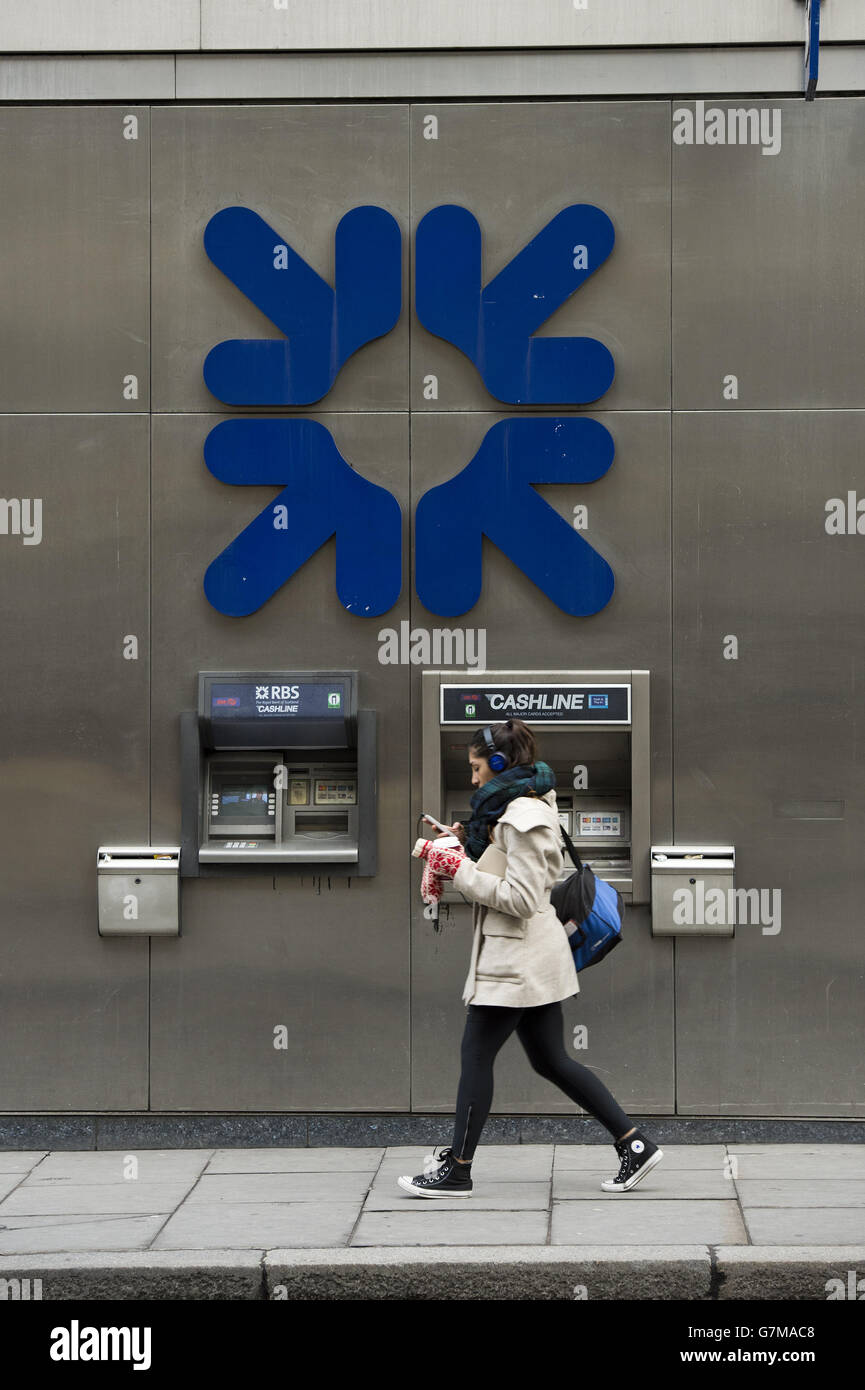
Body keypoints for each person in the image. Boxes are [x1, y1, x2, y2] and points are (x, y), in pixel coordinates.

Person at [399, 717, 663, 1198]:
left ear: (499, 764)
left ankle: (458, 1169)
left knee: (476, 1055)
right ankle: (635, 1144)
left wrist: (457, 869)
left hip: (516, 960)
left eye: (477, 768)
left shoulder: (525, 817)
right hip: (522, 957)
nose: (472, 777)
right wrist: (463, 844)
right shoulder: (510, 808)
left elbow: (520, 899)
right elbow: (503, 869)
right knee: (551, 1060)